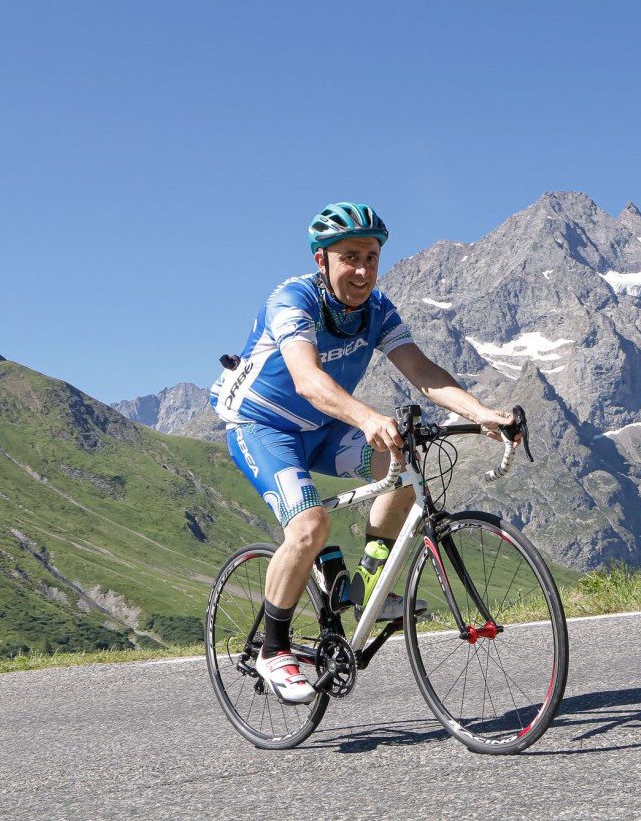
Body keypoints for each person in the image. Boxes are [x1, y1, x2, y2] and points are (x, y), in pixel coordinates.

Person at [211, 202, 516, 704]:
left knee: (405, 459)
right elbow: (308, 380)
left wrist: (481, 412)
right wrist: (368, 417)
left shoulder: (377, 311)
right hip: (264, 427)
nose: (362, 270)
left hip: (326, 429)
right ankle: (273, 647)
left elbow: (423, 370)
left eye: (371, 257)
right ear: (321, 261)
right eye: (350, 256)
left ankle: (372, 580)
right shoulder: (291, 301)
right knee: (309, 528)